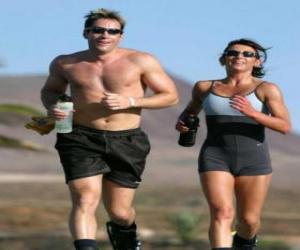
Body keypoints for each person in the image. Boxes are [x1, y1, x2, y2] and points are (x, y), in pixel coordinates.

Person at [41, 8, 178, 250]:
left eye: (112, 31)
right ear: (86, 33)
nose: (105, 35)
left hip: (127, 140)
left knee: (120, 212)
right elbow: (50, 91)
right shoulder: (66, 63)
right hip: (80, 137)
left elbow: (170, 97)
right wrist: (54, 107)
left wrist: (131, 101)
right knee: (85, 199)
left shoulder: (141, 60)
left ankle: (126, 239)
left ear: (120, 36)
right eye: (99, 30)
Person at [176, 38, 291, 250]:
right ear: (224, 59)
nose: (239, 57)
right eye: (233, 53)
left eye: (247, 54)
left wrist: (252, 113)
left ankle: (245, 242)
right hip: (215, 156)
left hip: (254, 160)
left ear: (257, 62)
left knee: (248, 221)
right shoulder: (204, 87)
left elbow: (284, 126)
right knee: (222, 213)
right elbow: (189, 112)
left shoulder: (267, 89)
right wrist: (183, 124)